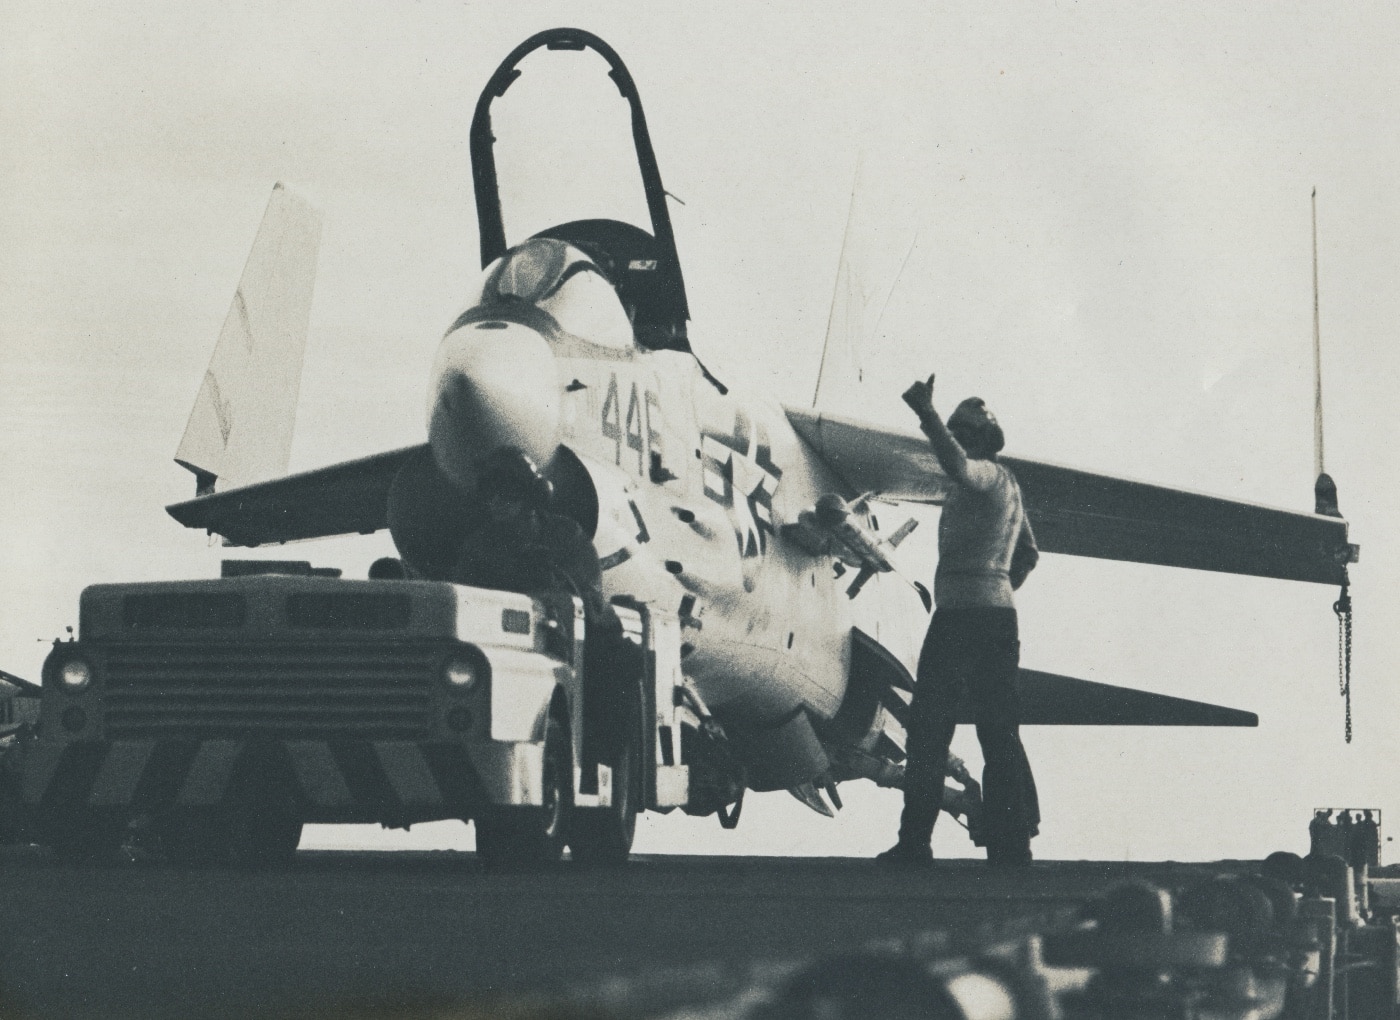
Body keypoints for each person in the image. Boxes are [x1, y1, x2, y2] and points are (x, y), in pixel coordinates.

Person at [879, 375, 1040, 867]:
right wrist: (997, 586)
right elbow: (1028, 554)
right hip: (995, 618)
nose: (956, 441)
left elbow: (956, 464)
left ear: (981, 442)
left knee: (929, 732)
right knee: (999, 731)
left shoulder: (985, 476)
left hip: (958, 617)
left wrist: (925, 413)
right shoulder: (1008, 487)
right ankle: (1010, 843)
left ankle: (914, 845)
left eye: (964, 434)